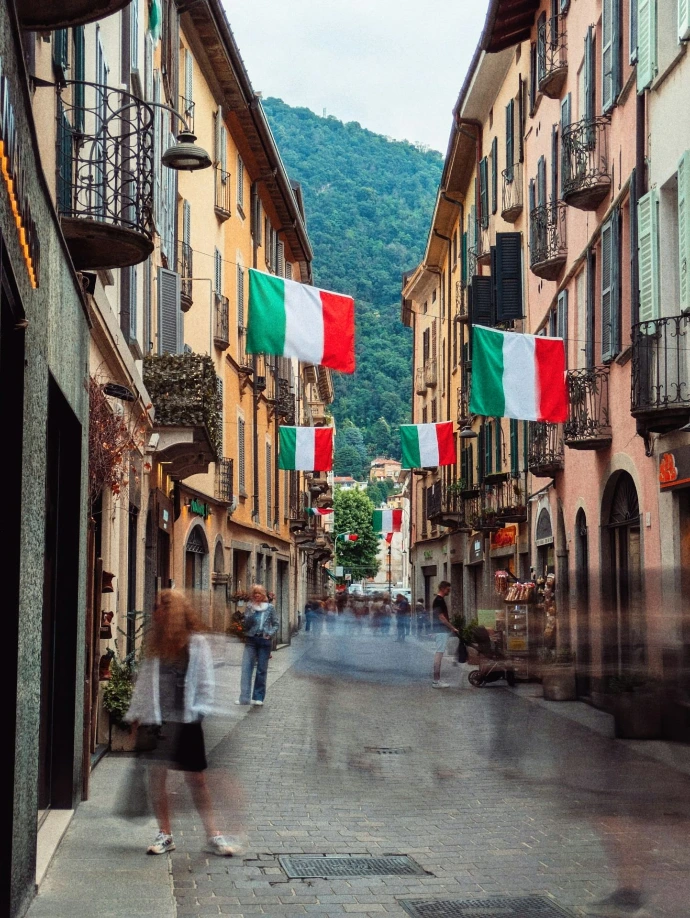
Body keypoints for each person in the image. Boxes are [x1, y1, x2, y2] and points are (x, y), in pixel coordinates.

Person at [124, 589, 240, 857]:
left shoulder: (195, 643)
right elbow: (144, 683)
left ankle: (213, 834)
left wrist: (199, 712)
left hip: (187, 720)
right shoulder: (155, 643)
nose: (155, 612)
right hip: (158, 720)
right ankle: (165, 834)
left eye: (159, 607)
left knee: (197, 780)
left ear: (172, 610)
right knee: (157, 778)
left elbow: (205, 682)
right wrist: (136, 716)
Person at [236, 584, 278, 706]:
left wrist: (269, 633)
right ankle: (244, 698)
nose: (256, 596)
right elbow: (246, 625)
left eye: (259, 593)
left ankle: (258, 697)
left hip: (264, 641)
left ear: (263, 595)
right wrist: (250, 613)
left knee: (261, 670)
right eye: (255, 594)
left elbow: (276, 623)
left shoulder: (270, 608)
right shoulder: (250, 607)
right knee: (246, 669)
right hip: (251, 640)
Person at [431, 581, 459, 688]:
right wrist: (452, 627)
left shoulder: (439, 600)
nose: (449, 591)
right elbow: (441, 617)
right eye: (448, 589)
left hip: (440, 630)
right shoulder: (439, 601)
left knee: (439, 653)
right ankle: (436, 681)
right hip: (440, 630)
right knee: (439, 654)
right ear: (442, 588)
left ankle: (436, 680)